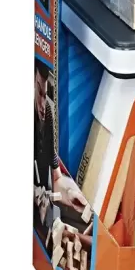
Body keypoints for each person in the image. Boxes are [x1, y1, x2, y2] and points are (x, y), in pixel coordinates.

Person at [34, 58, 86, 210]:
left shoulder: (48, 114)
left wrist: (69, 194)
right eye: (39, 93)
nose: (42, 104)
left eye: (45, 95)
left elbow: (56, 180)